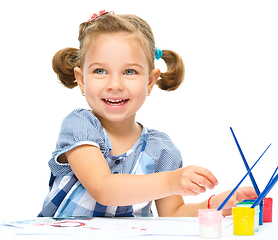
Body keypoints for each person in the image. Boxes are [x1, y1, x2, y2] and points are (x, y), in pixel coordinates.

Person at [39, 10, 256, 218]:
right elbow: (103, 188)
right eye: (100, 71)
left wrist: (214, 205)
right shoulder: (80, 126)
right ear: (82, 80)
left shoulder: (161, 149)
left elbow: (172, 214)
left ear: (150, 81)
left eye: (130, 71)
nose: (115, 84)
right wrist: (172, 180)